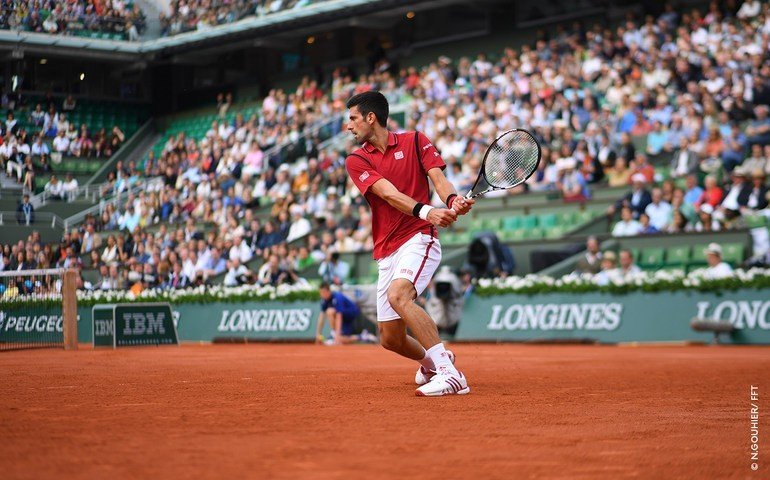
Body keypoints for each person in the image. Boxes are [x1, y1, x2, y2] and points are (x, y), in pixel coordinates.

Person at [344, 91, 473, 396]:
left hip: (419, 237)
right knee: (390, 339)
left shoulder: (416, 140)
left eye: (352, 118)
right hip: (387, 248)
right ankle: (432, 363)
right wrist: (430, 211)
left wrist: (453, 200)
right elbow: (388, 193)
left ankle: (450, 374)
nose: (349, 126)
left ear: (370, 117)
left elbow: (439, 180)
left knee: (399, 295)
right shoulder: (356, 159)